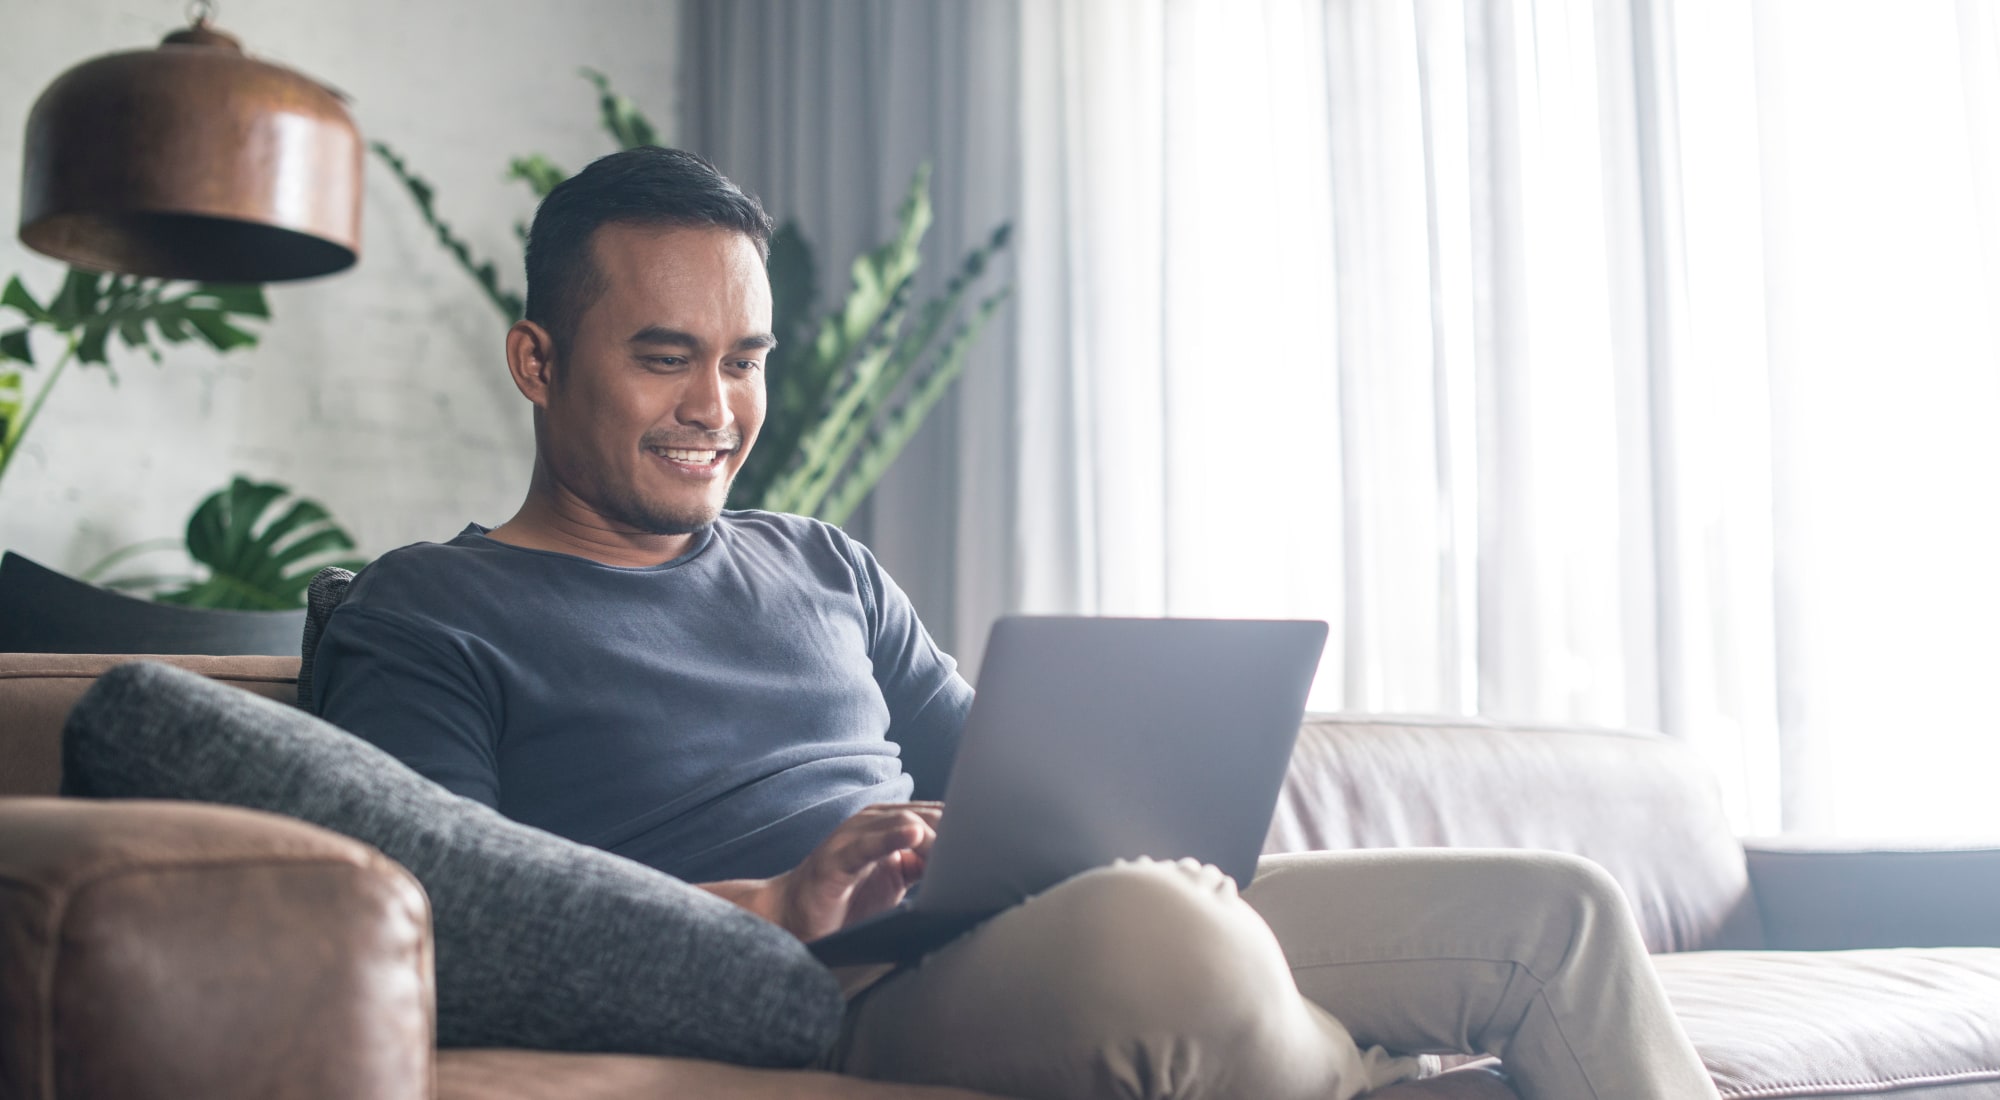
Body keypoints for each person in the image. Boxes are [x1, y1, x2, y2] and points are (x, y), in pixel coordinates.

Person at [312, 146, 1718, 1100]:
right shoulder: (430, 612)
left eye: (745, 361)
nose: (716, 409)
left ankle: (1276, 1022)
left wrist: (1136, 831)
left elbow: (1023, 795)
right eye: (665, 356)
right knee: (1168, 944)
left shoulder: (822, 566)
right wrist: (779, 905)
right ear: (538, 362)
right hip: (830, 987)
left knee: (1558, 913)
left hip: (1031, 927)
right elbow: (447, 926)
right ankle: (1347, 1057)